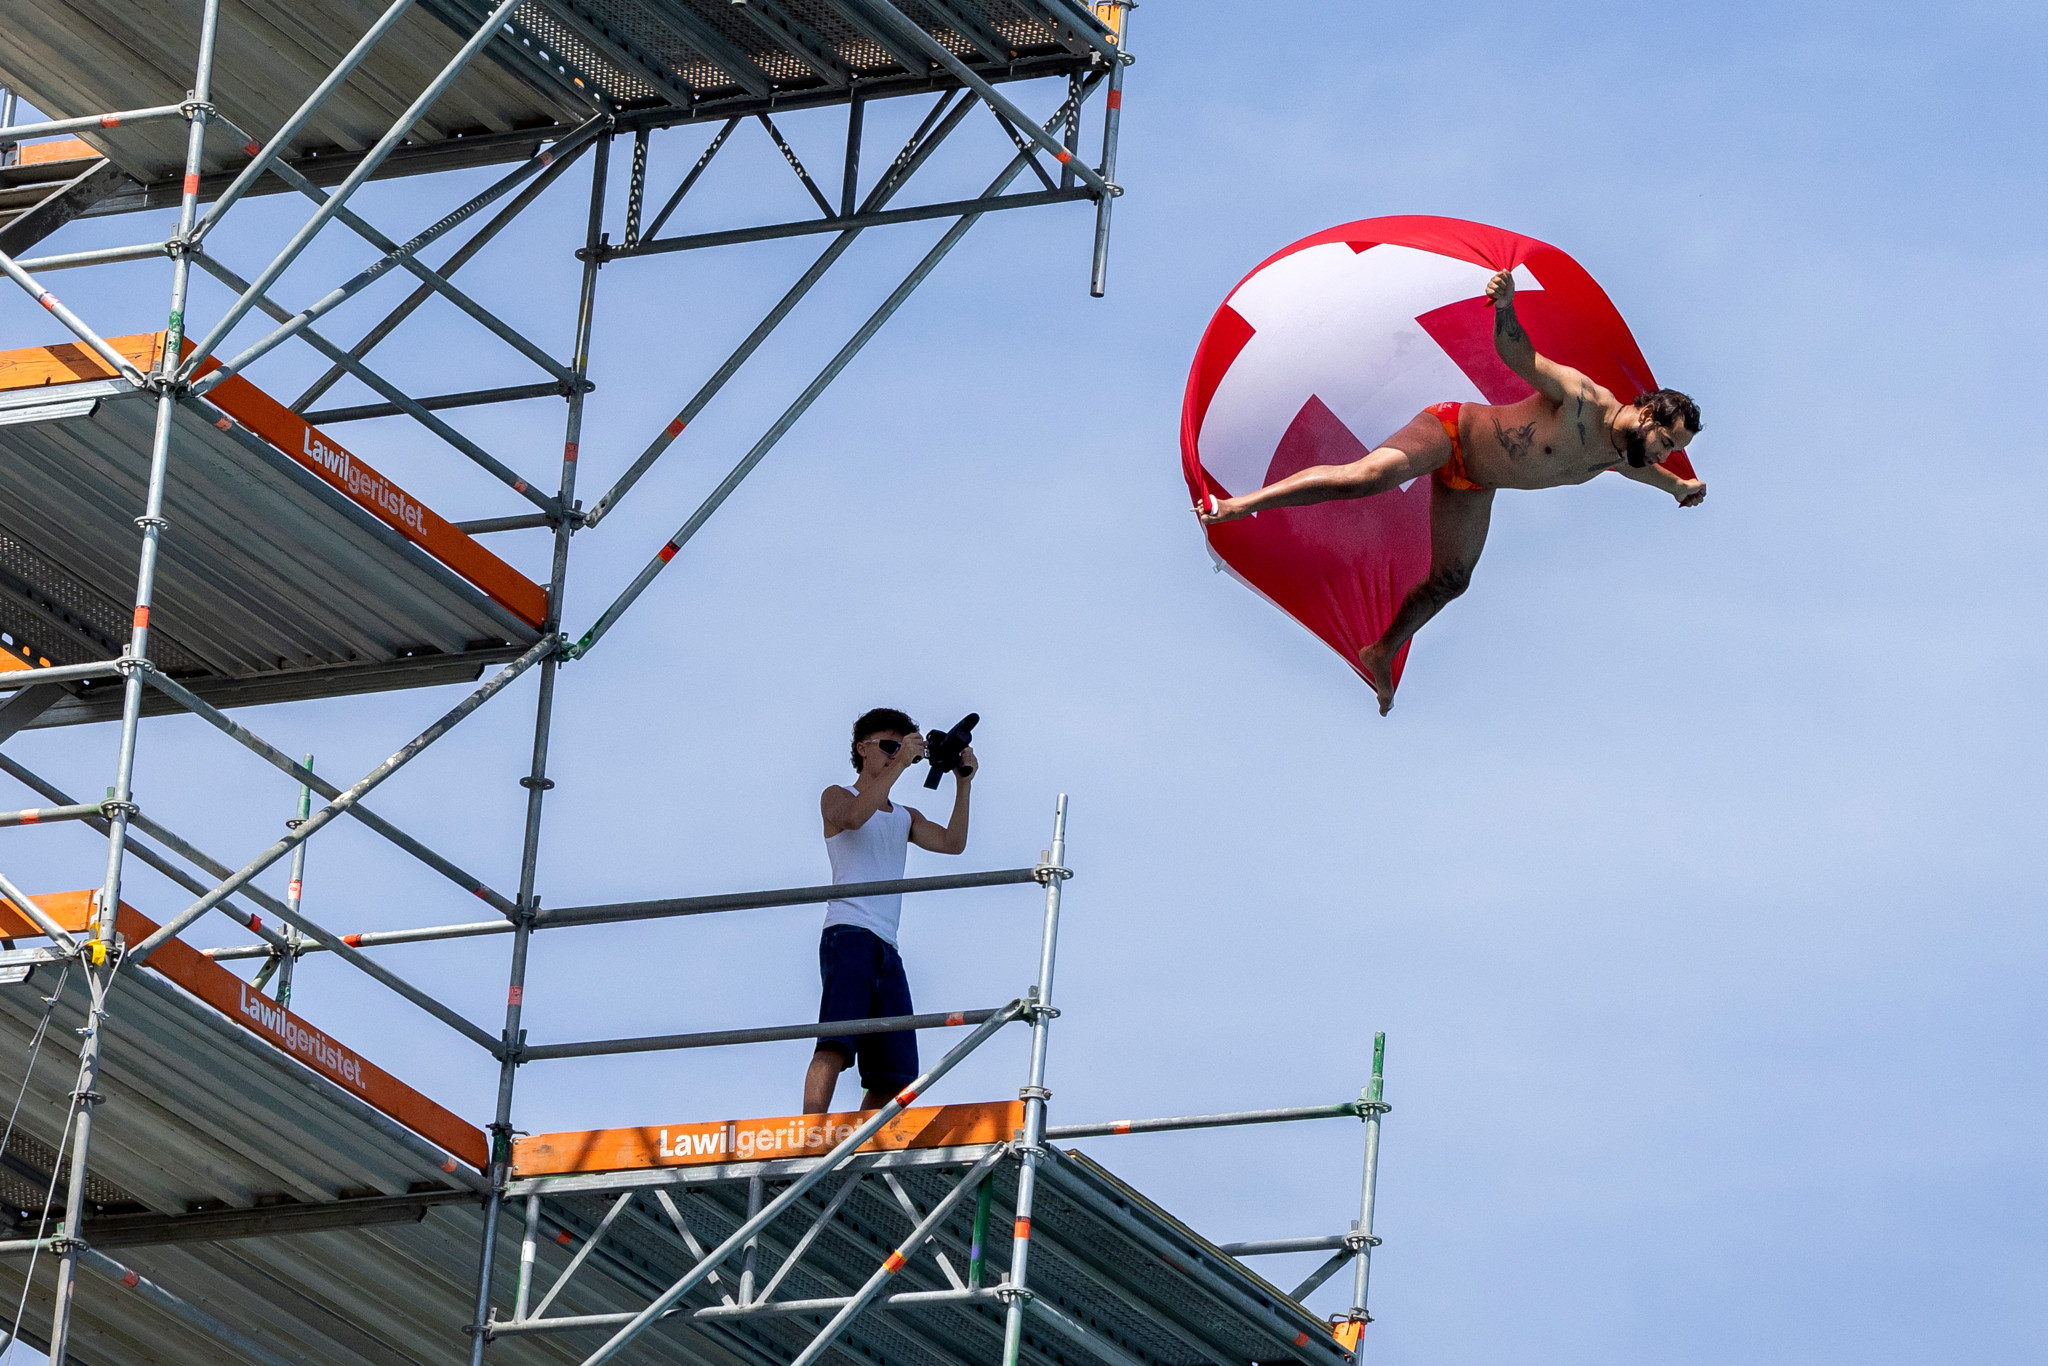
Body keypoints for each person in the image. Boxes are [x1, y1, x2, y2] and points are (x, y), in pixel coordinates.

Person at [1198, 269, 1705, 715]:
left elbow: (1641, 471)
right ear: (1645, 415)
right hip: (1450, 433)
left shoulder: (1626, 451)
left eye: (1671, 449)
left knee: (1452, 580)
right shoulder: (1582, 399)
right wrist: (1505, 308)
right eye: (1665, 441)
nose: (1663, 453)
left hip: (1477, 482)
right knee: (1367, 477)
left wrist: (1678, 486)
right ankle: (1241, 506)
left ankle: (1382, 649)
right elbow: (1518, 354)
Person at [802, 707, 976, 1115]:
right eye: (887, 745)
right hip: (848, 933)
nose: (894, 753)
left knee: (895, 1073)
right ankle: (808, 1133)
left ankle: (857, 1144)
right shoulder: (837, 795)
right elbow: (854, 818)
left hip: (886, 944)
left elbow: (953, 843)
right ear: (862, 749)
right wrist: (900, 764)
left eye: (901, 746)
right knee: (836, 1042)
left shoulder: (904, 816)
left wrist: (964, 784)